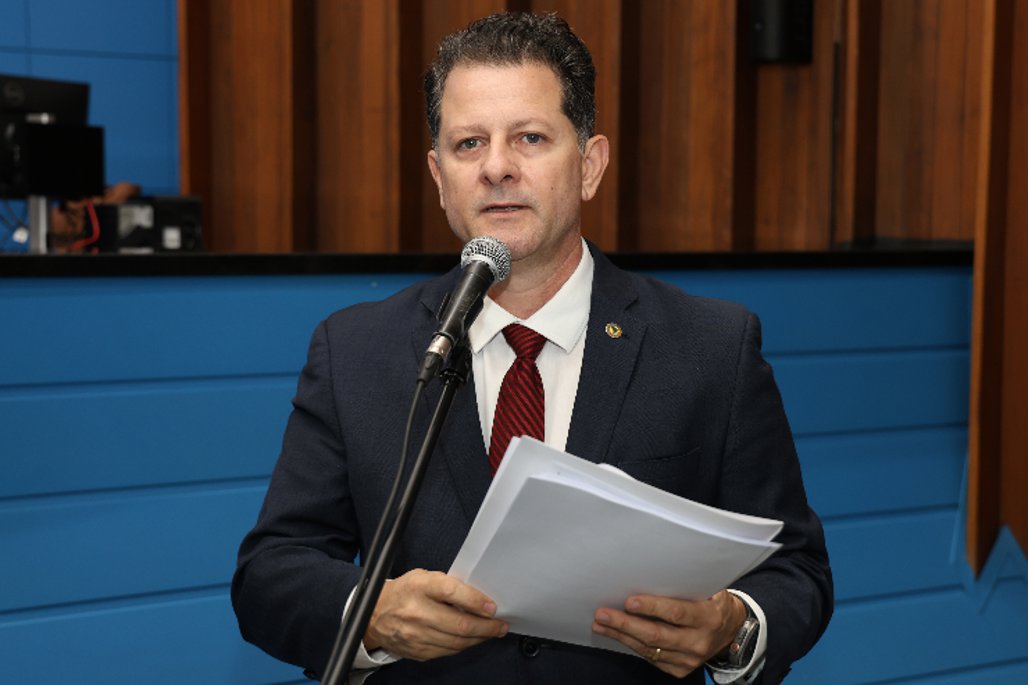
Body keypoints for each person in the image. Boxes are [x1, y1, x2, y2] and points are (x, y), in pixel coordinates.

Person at [232, 12, 832, 684]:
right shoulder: (355, 352)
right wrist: (370, 614)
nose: (496, 167)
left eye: (530, 137)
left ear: (590, 165)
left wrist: (732, 628)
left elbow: (795, 569)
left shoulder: (711, 347)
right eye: (468, 144)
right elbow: (269, 575)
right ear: (438, 176)